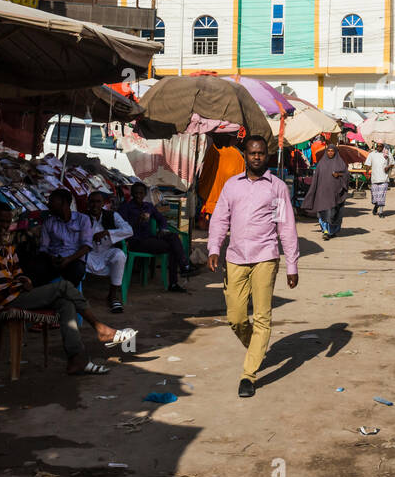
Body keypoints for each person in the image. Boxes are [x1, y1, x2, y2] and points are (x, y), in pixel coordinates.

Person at [0, 203, 134, 375]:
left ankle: (76, 359)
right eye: (0, 221)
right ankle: (99, 327)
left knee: (65, 303)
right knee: (64, 286)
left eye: (7, 222)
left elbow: (17, 272)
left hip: (15, 293)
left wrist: (25, 280)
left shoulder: (7, 245)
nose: (4, 226)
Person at [207, 136, 300, 398]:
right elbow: (219, 219)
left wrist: (292, 264)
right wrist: (214, 248)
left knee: (262, 317)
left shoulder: (277, 188)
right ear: (245, 156)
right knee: (235, 317)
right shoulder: (231, 186)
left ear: (267, 156)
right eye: (252, 153)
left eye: (261, 153)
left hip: (265, 256)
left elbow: (285, 226)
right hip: (235, 257)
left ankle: (248, 374)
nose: (256, 157)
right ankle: (256, 349)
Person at [119, 182, 192, 292]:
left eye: (141, 193)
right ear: (132, 194)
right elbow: (122, 227)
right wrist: (137, 221)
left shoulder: (148, 206)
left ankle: (182, 269)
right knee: (173, 247)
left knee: (173, 237)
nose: (138, 195)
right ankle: (181, 271)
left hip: (149, 238)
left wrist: (163, 229)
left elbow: (161, 219)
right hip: (135, 241)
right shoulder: (126, 207)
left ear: (144, 194)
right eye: (136, 193)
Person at [83, 191, 133, 313]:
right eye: (92, 202)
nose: (95, 205)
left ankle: (112, 296)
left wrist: (107, 232)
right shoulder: (82, 217)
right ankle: (78, 296)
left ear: (103, 204)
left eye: (98, 202)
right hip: (87, 254)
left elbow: (129, 230)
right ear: (88, 203)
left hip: (106, 253)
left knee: (119, 255)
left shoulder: (112, 215)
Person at [33, 189, 92, 288]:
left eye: (52, 201)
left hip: (73, 259)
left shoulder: (83, 219)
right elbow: (44, 248)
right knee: (37, 269)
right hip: (53, 259)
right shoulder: (49, 222)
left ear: (64, 203)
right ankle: (44, 297)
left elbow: (86, 246)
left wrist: (68, 259)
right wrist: (51, 258)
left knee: (77, 270)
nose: (49, 204)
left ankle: (68, 297)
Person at [303, 140, 349, 239]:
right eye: (329, 151)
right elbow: (316, 179)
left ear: (335, 152)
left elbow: (347, 175)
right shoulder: (321, 164)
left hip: (335, 194)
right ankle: (326, 231)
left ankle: (333, 231)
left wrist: (339, 174)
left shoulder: (340, 163)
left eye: (332, 151)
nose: (330, 153)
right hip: (322, 194)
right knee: (324, 212)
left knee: (333, 213)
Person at [364, 142, 391, 218]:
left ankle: (381, 212)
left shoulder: (387, 154)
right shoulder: (372, 154)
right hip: (374, 179)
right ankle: (376, 206)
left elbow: (392, 163)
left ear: (383, 147)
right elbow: (367, 164)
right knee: (375, 197)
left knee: (382, 196)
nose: (379, 147)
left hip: (384, 179)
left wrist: (388, 167)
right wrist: (366, 173)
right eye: (377, 146)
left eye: (380, 146)